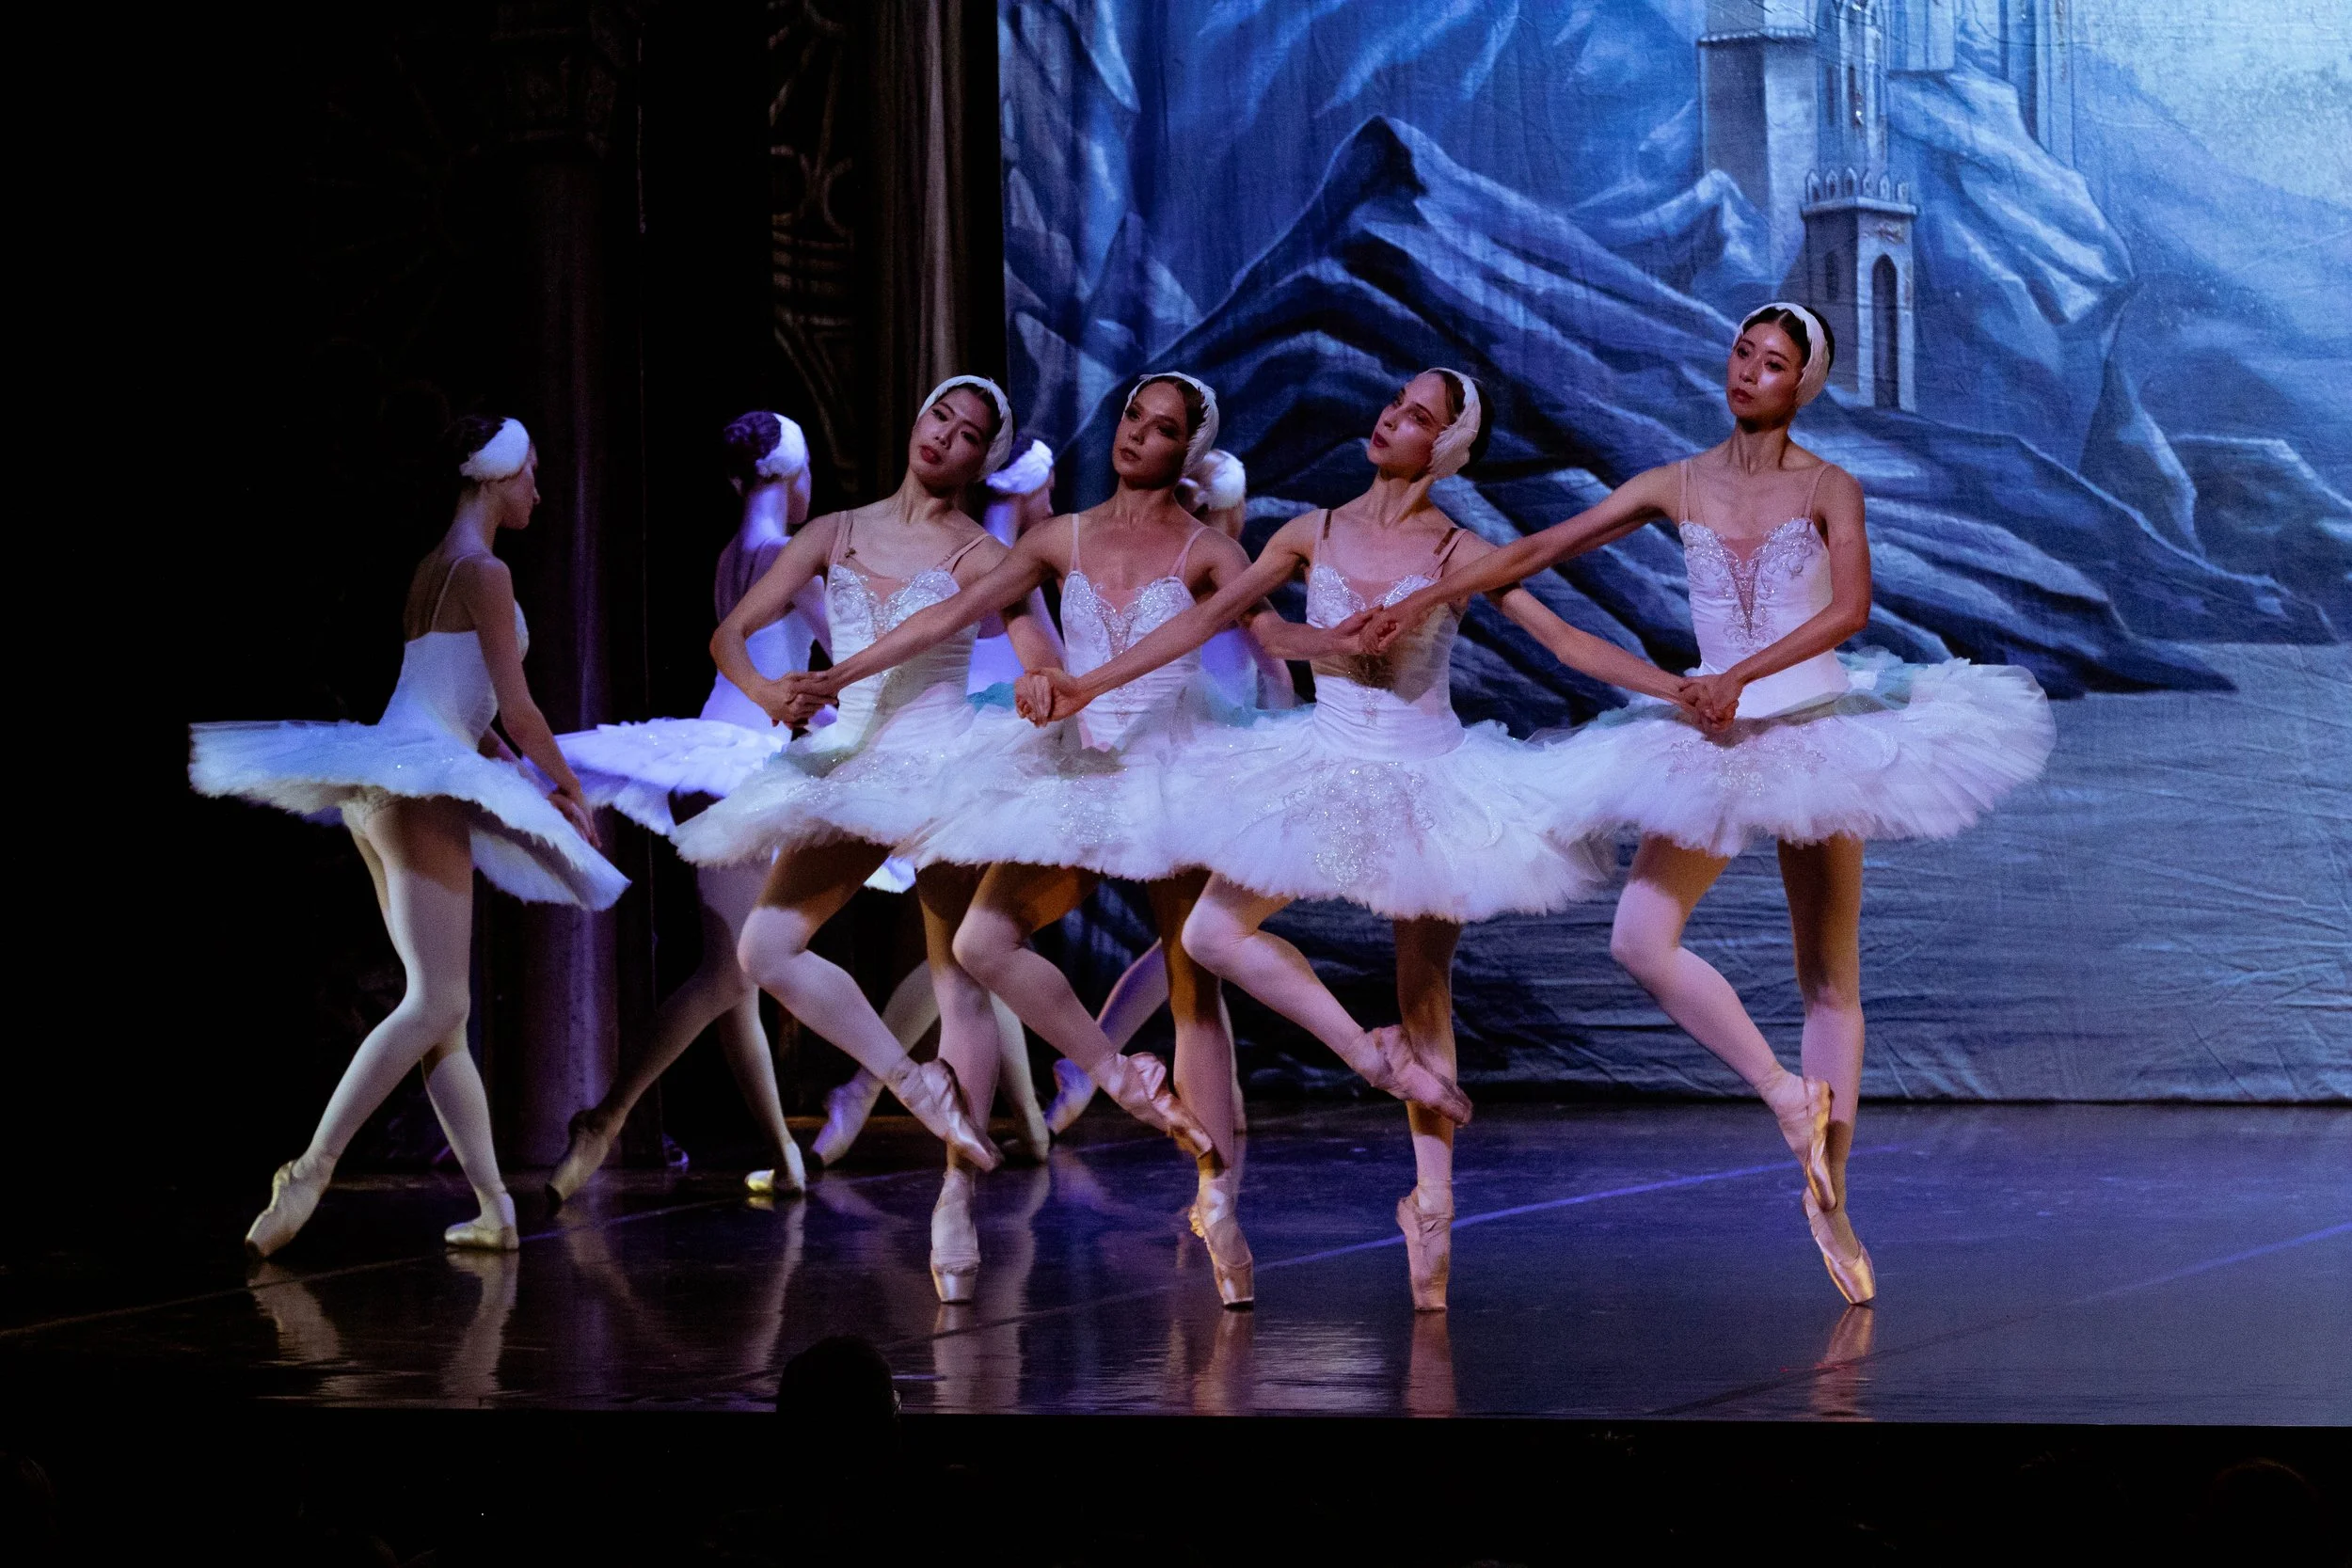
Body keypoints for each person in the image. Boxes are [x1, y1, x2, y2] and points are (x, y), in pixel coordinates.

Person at [1362, 306, 2056, 1303]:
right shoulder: (1674, 481)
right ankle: (1785, 1095)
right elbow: (1542, 547)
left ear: (1802, 385)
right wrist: (1426, 594)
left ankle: (1830, 1199)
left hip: (1814, 727)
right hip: (1717, 735)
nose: (1748, 372)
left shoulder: (1828, 485)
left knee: (1830, 975)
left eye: (1772, 363)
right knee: (1639, 939)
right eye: (1742, 352)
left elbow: (1850, 608)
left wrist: (1742, 674)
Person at [1022, 369, 1692, 1311]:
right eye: (1393, 403)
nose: (1391, 419)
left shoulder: (1459, 547)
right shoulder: (1312, 532)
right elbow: (1219, 619)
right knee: (1210, 932)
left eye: (1418, 416)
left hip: (1427, 775)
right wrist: (1093, 684)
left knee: (1424, 982)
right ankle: (1364, 1051)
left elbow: (1564, 641)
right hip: (1322, 766)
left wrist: (1681, 688)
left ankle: (1434, 1206)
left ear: (1445, 448)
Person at [771, 374, 1275, 1308]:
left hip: (1171, 770)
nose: (1137, 435)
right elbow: (945, 616)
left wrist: (1335, 639)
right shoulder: (1058, 537)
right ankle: (1111, 1075)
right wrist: (841, 673)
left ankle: (1219, 1199)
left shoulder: (1208, 548)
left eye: (1162, 429)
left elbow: (1262, 626)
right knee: (978, 942)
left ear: (1188, 449)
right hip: (1083, 770)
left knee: (1192, 988)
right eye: (1132, 416)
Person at [192, 416, 626, 1258]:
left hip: (381, 783)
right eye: (530, 474)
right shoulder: (487, 571)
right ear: (495, 477)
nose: (538, 491)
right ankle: (309, 1170)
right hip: (418, 787)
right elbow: (520, 707)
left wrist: (526, 779)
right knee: (435, 1003)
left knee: (444, 1014)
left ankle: (495, 1207)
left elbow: (465, 709)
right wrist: (571, 793)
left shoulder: (434, 568)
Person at [671, 377, 1062, 1185]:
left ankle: (955, 1209)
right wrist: (768, 691)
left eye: (966, 434)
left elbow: (1043, 658)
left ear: (980, 461)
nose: (943, 436)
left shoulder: (985, 556)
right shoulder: (833, 530)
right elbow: (728, 635)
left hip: (940, 760)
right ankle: (910, 1083)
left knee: (959, 978)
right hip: (852, 760)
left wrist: (1036, 680)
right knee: (764, 948)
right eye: (939, 416)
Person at [547, 411, 827, 1205]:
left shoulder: (731, 556)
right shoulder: (790, 560)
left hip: (706, 760)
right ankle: (605, 1117)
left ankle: (785, 1154)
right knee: (726, 974)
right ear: (790, 474)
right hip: (744, 768)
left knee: (733, 978)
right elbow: (844, 663)